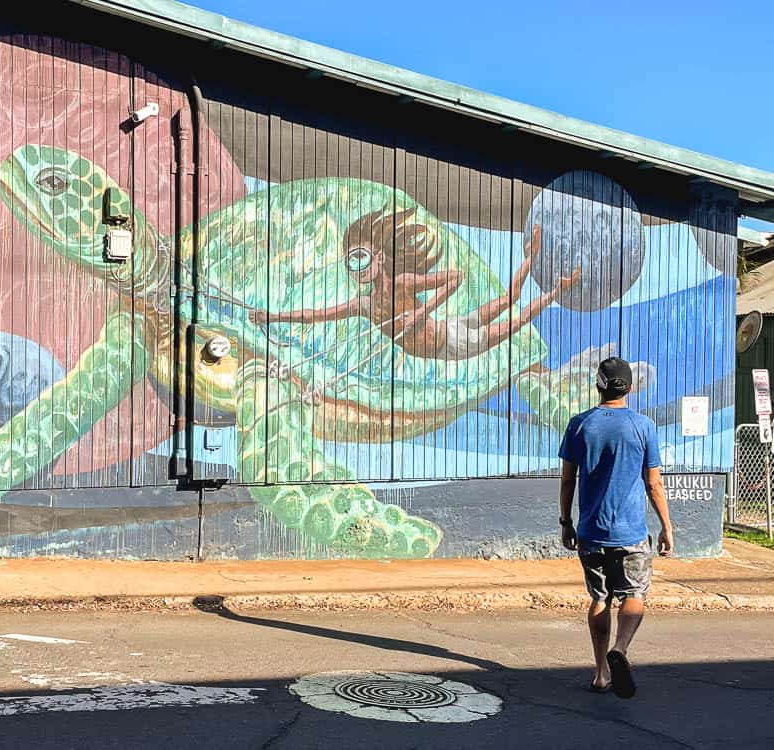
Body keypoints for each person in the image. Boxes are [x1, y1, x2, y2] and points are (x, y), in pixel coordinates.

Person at [248, 207, 580, 360]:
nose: (358, 267)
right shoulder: (364, 305)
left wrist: (422, 313)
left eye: (362, 257)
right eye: (352, 261)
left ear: (378, 257)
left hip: (452, 338)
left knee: (513, 308)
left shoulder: (405, 282)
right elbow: (314, 315)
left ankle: (539, 265)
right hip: (447, 339)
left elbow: (455, 278)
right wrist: (271, 317)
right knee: (512, 310)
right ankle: (555, 285)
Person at [558, 357, 674, 699]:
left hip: (591, 532)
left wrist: (566, 522)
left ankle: (600, 673)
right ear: (630, 388)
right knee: (634, 594)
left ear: (598, 386)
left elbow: (568, 481)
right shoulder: (643, 426)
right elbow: (653, 484)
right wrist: (667, 526)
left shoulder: (579, 425)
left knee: (599, 598)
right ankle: (621, 648)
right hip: (632, 534)